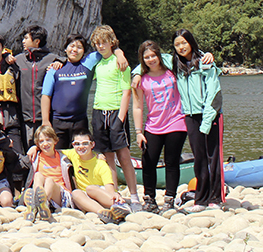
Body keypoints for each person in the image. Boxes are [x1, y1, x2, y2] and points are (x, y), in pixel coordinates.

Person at [88, 25, 140, 210]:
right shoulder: (97, 63)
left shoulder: (121, 63)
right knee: (107, 156)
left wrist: (120, 118)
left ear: (112, 42)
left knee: (123, 155)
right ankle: (114, 194)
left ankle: (134, 196)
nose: (101, 46)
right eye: (97, 43)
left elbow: (127, 93)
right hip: (98, 111)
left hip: (116, 111)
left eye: (104, 42)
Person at [132, 40, 187, 213]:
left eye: (153, 56)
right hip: (153, 126)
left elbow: (186, 57)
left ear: (159, 55)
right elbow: (138, 106)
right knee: (149, 162)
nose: (151, 59)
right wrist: (139, 132)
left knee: (172, 162)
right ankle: (149, 199)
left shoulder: (173, 72)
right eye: (146, 57)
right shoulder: (141, 80)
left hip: (176, 122)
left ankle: (170, 199)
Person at [172, 29, 224, 211]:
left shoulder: (204, 62)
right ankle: (201, 200)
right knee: (199, 158)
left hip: (210, 114)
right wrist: (137, 73)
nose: (181, 47)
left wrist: (208, 121)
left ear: (191, 42)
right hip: (190, 115)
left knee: (213, 157)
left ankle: (216, 199)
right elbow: (150, 57)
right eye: (177, 44)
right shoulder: (176, 64)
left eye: (184, 43)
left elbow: (214, 94)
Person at [63, 131, 130, 224]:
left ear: (92, 144)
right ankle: (104, 213)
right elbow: (53, 150)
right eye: (76, 144)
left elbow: (109, 187)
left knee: (91, 188)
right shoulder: (73, 154)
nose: (81, 147)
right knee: (75, 193)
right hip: (86, 198)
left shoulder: (100, 163)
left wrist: (114, 194)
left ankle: (120, 206)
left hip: (100, 193)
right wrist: (35, 147)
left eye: (85, 143)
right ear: (73, 145)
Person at [15, 25, 61, 149]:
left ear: (36, 41)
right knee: (28, 153)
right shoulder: (18, 60)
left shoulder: (52, 59)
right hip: (24, 119)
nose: (23, 41)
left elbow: (69, 62)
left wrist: (60, 63)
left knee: (47, 151)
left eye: (26, 38)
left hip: (46, 118)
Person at [27, 124, 71, 220]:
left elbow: (81, 153)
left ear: (55, 140)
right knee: (38, 175)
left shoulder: (63, 156)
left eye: (48, 140)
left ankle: (43, 204)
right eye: (41, 141)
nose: (45, 144)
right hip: (42, 190)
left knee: (49, 180)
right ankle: (37, 205)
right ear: (37, 144)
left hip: (60, 195)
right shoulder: (36, 157)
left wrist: (98, 155)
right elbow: (18, 162)